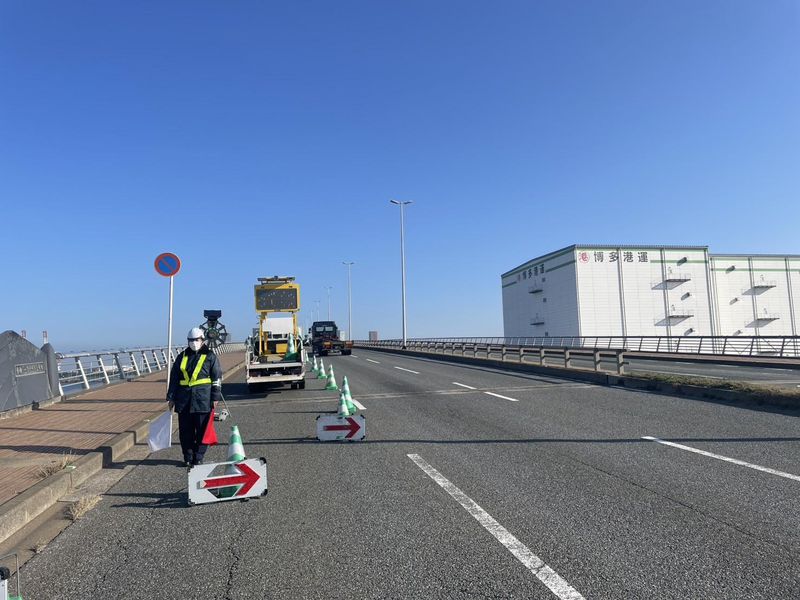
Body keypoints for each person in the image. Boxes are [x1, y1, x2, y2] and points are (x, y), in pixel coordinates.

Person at [166, 327, 222, 467]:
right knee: (185, 432)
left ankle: (198, 457)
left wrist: (215, 397)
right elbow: (174, 379)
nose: (193, 342)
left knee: (202, 431)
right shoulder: (182, 356)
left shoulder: (210, 356)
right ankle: (188, 457)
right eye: (191, 340)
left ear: (202, 340)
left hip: (203, 400)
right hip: (184, 401)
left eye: (196, 340)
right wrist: (171, 397)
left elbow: (216, 378)